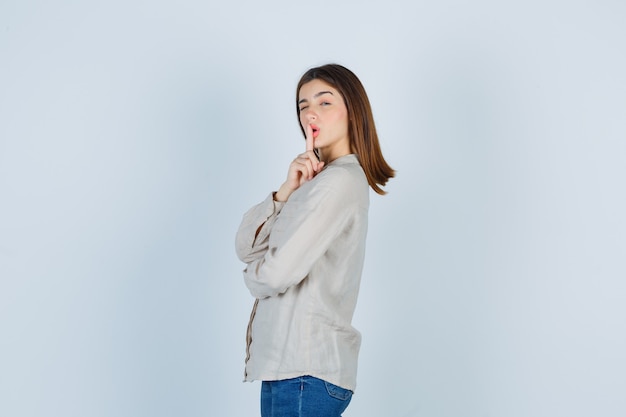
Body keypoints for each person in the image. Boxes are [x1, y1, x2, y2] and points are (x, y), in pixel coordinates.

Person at [235, 63, 395, 417]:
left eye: (324, 102)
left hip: (306, 370)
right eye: (302, 105)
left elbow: (274, 274)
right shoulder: (316, 182)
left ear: (353, 111)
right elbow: (246, 247)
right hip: (289, 368)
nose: (310, 113)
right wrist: (286, 190)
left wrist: (250, 275)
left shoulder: (338, 183)